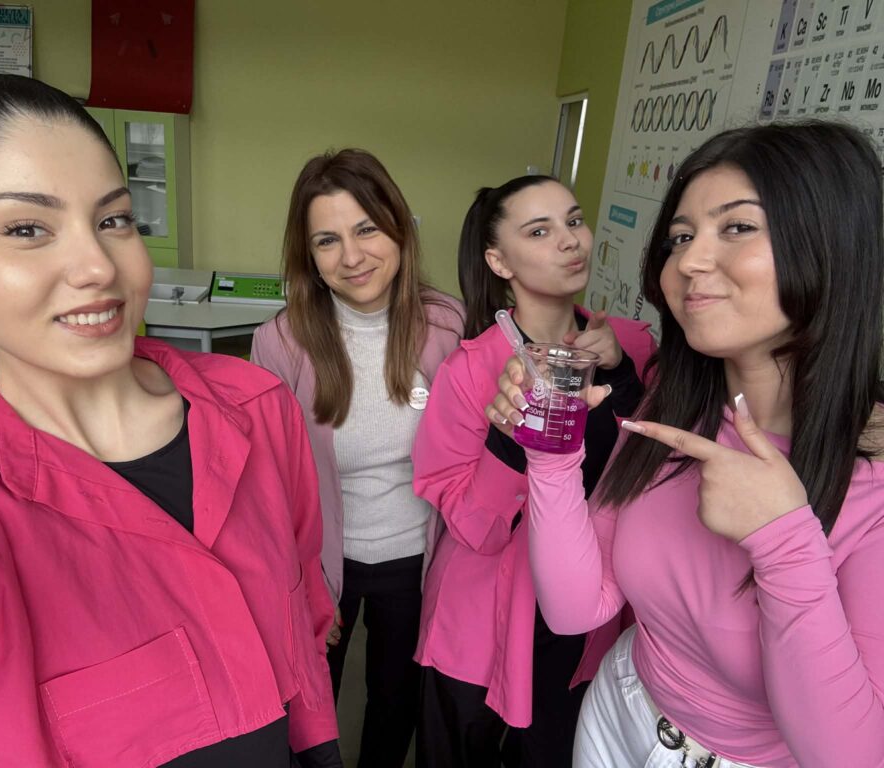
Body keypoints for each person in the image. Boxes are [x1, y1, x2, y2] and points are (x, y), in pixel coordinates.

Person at [0, 74, 342, 768]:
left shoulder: (257, 406)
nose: (97, 266)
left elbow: (303, 608)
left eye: (114, 220)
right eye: (28, 229)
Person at [501, 121, 884, 766]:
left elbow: (852, 755)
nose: (688, 262)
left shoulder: (872, 481)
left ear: (832, 245)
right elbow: (575, 608)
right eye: (680, 237)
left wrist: (786, 541)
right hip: (618, 710)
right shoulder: (674, 407)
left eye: (737, 227)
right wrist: (552, 456)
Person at [411, 174, 654, 768]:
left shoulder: (629, 344)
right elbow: (474, 528)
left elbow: (648, 477)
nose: (569, 241)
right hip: (481, 618)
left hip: (588, 613)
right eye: (539, 232)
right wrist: (512, 432)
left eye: (573, 221)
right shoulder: (470, 370)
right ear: (499, 261)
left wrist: (622, 375)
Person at [250, 148, 464, 767]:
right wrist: (303, 581)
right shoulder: (281, 342)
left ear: (398, 227)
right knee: (309, 705)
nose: (351, 257)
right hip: (322, 561)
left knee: (395, 703)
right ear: (308, 255)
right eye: (327, 240)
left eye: (366, 229)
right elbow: (265, 483)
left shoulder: (447, 324)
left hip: (416, 557)